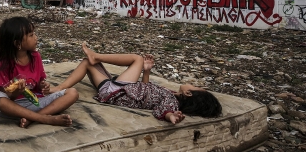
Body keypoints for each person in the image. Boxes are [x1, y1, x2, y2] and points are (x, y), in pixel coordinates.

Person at [51, 43, 222, 124]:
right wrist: (146, 72)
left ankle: (97, 56)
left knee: (137, 59)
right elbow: (146, 94)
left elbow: (163, 111)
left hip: (121, 91)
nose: (191, 84)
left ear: (189, 94)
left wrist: (172, 116)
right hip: (113, 91)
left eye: (195, 87)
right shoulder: (170, 94)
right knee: (87, 63)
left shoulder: (172, 102)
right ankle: (58, 89)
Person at [0, 17, 79, 128]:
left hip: (35, 103)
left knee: (72, 93)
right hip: (13, 107)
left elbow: (40, 83)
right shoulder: (4, 63)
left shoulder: (36, 57)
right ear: (17, 44)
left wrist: (44, 86)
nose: (36, 38)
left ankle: (33, 118)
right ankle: (44, 118)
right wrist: (16, 92)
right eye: (31, 35)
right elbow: (7, 95)